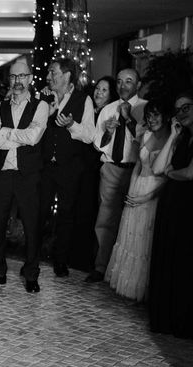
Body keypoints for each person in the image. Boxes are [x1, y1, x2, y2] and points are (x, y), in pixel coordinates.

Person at [0, 60, 49, 293]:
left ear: (30, 78)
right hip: (2, 174)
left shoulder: (41, 106)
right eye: (13, 77)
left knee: (32, 226)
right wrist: (17, 135)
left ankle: (31, 274)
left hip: (28, 176)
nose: (17, 81)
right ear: (9, 80)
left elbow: (34, 137)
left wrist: (5, 132)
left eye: (22, 76)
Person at [86, 68, 147, 283]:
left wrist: (128, 119)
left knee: (133, 223)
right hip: (111, 169)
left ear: (137, 85)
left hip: (136, 173)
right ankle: (101, 267)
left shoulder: (145, 108)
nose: (123, 85)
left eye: (129, 81)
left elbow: (145, 140)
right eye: (120, 81)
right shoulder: (107, 109)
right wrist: (109, 133)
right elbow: (97, 144)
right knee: (105, 221)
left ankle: (126, 275)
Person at [105, 99, 169, 302]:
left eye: (156, 115)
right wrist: (132, 192)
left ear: (165, 116)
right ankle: (129, 287)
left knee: (147, 240)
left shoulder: (172, 140)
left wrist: (145, 197)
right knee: (131, 237)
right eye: (149, 116)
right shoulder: (145, 134)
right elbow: (138, 166)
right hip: (138, 186)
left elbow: (167, 177)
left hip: (154, 192)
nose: (151, 119)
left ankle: (146, 292)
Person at [39, 59, 96, 277]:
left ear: (67, 75)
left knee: (66, 215)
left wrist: (71, 125)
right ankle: (32, 258)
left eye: (52, 72)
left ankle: (60, 261)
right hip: (44, 166)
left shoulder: (84, 100)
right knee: (39, 212)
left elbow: (90, 135)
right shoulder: (42, 96)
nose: (48, 77)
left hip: (70, 167)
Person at [148, 92, 193, 338]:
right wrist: (174, 135)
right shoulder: (181, 137)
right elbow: (159, 168)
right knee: (170, 259)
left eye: (187, 107)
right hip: (172, 205)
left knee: (184, 262)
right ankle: (168, 318)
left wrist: (172, 172)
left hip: (187, 207)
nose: (182, 113)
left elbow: (188, 174)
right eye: (178, 109)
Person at [69, 76, 119, 271]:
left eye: (104, 90)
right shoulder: (89, 111)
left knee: (92, 214)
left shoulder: (109, 115)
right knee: (77, 210)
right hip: (80, 168)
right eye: (97, 88)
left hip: (95, 170)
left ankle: (88, 259)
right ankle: (74, 255)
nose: (98, 92)